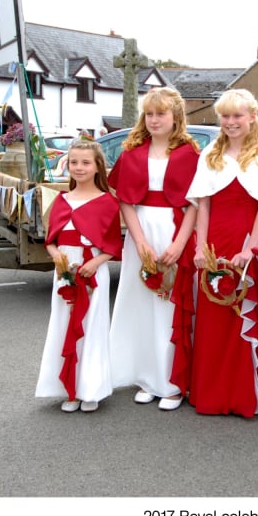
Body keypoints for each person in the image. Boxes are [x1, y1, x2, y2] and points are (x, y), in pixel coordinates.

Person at [184, 89, 258, 418]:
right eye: (225, 116)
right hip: (215, 244)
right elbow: (203, 204)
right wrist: (200, 247)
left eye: (237, 115)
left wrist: (250, 250)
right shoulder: (210, 153)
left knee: (244, 316)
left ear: (252, 117)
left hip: (247, 242)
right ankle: (213, 393)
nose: (230, 122)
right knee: (215, 322)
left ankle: (247, 395)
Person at [107, 87, 200, 411]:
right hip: (141, 235)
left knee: (169, 306)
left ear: (176, 117)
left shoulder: (189, 153)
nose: (154, 119)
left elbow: (195, 204)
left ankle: (172, 383)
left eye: (161, 113)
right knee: (142, 306)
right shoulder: (132, 152)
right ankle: (147, 378)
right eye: (149, 114)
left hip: (174, 232)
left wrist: (179, 243)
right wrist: (140, 242)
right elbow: (125, 201)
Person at [35, 140, 123, 413]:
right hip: (64, 272)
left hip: (92, 271)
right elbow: (51, 240)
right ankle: (68, 389)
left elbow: (112, 245)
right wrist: (57, 258)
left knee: (91, 328)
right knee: (63, 325)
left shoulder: (108, 202)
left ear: (98, 167)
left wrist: (95, 262)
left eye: (86, 162)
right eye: (74, 162)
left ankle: (91, 388)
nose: (79, 167)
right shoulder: (61, 200)